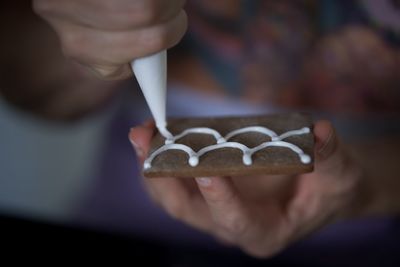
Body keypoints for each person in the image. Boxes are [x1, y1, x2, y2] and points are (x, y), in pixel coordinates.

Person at [2, 0, 399, 264]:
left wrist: (367, 185)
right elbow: (35, 92)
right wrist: (83, 40)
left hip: (368, 235)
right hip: (128, 222)